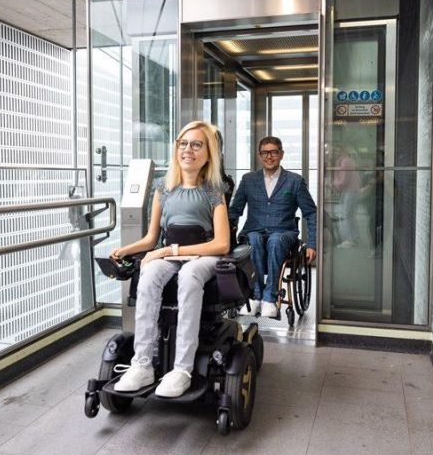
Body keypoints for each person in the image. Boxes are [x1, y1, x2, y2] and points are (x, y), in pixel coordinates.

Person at [109, 121, 230, 398]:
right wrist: (126, 250)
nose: (188, 149)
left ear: (208, 153)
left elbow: (222, 244)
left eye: (197, 144)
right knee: (149, 273)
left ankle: (182, 370)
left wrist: (168, 251)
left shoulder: (214, 190)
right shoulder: (163, 188)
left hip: (203, 256)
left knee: (189, 276)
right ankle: (142, 365)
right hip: (171, 256)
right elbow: (152, 239)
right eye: (183, 143)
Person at [228, 136, 317, 318]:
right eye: (265, 152)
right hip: (254, 232)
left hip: (284, 233)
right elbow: (235, 210)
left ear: (281, 154)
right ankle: (256, 296)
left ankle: (270, 298)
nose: (269, 156)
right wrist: (224, 235)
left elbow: (311, 213)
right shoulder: (248, 180)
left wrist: (312, 244)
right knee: (253, 239)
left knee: (275, 240)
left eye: (274, 152)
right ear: (260, 155)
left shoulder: (295, 181)